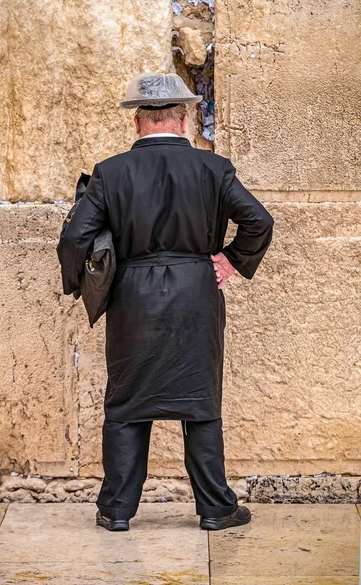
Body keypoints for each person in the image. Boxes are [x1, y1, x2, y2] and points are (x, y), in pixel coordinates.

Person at [56, 72, 274, 532]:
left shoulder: (110, 172)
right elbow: (258, 220)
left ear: (138, 123)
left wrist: (79, 286)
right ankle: (217, 509)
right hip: (197, 292)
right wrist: (232, 261)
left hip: (133, 298)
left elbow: (74, 238)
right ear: (183, 119)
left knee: (127, 403)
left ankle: (116, 511)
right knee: (200, 403)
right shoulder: (215, 169)